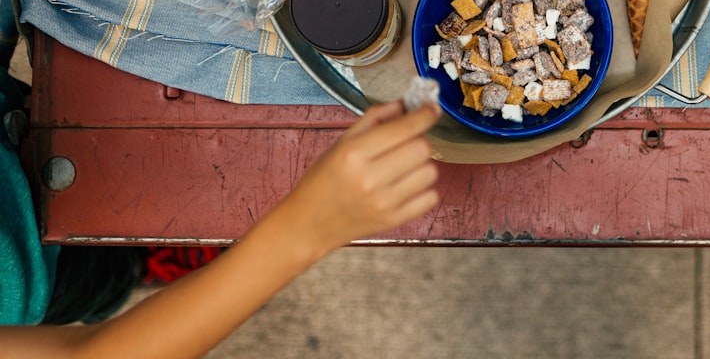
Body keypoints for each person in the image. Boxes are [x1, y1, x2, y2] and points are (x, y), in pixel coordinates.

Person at [0, 86, 440, 358]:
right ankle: (149, 262)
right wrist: (306, 230)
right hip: (43, 269)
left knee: (137, 173)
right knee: (106, 275)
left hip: (18, 124)